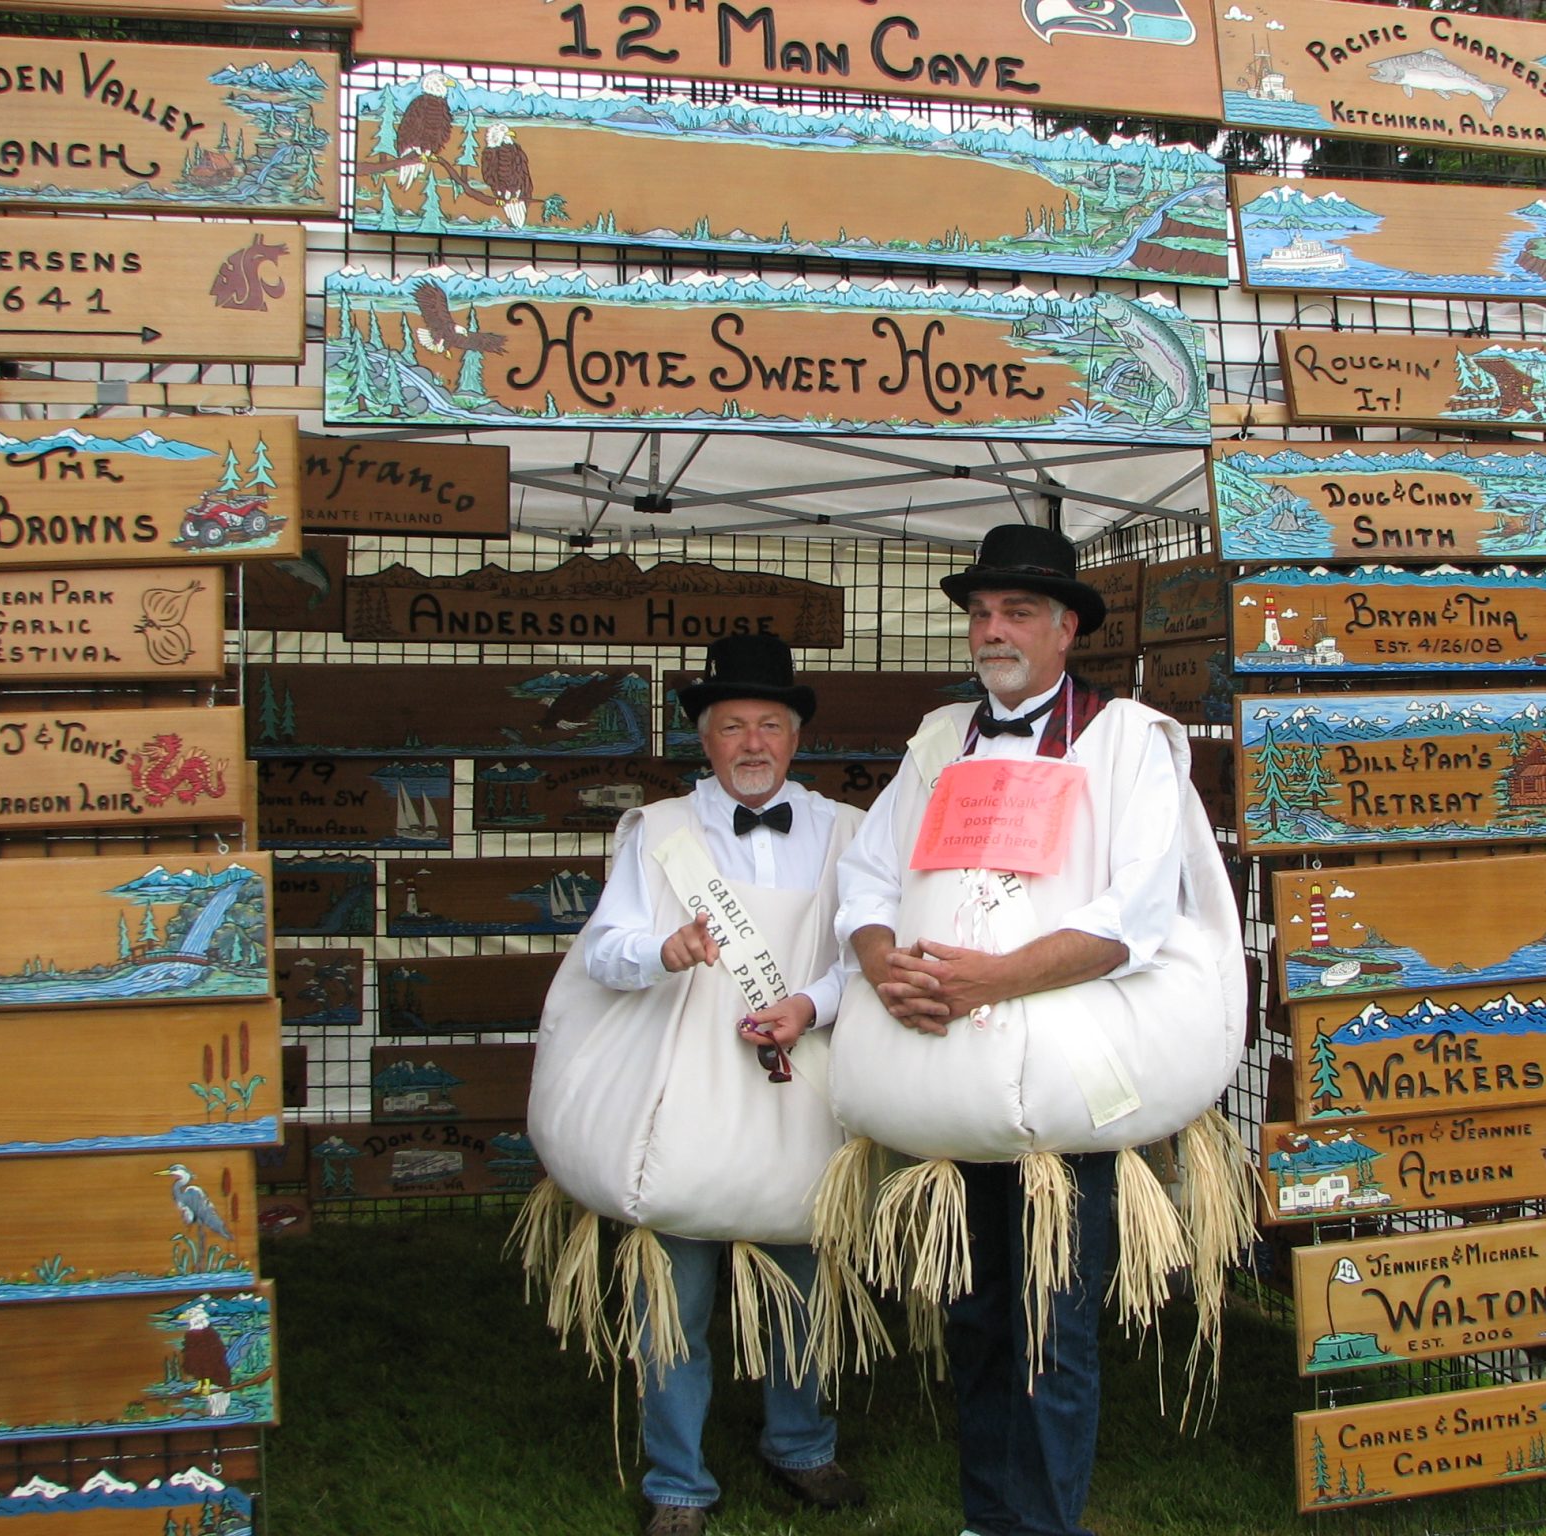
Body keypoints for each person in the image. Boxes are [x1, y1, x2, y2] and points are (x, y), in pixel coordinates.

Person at [832, 523, 1240, 1536]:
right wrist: (883, 960)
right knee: (974, 1319)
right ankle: (987, 1517)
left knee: (1050, 1327)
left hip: (1067, 1090)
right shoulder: (937, 741)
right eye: (978, 614)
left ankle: (1043, 1524)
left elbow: (1133, 920)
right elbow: (868, 876)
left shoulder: (1129, 743)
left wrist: (993, 981)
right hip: (951, 1082)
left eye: (1015, 612)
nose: (991, 631)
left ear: (1066, 631)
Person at [525, 634, 867, 1536]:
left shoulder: (849, 834)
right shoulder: (659, 834)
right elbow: (602, 949)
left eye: (769, 725)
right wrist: (660, 950)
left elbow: (863, 961)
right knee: (671, 1294)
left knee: (805, 1274)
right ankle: (678, 1480)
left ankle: (803, 1444)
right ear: (704, 740)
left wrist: (812, 1004)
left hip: (802, 1079)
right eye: (731, 727)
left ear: (795, 737)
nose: (752, 743)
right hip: (683, 1087)